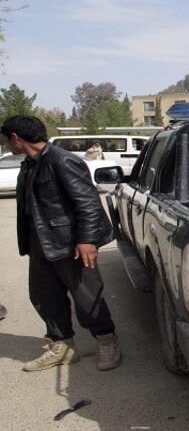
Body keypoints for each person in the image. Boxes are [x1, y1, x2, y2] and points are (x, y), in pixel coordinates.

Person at [1, 115, 121, 372]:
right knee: (44, 296)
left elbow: (88, 203)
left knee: (87, 296)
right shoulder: (30, 163)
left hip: (71, 243)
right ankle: (63, 346)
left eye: (7, 140)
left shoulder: (62, 160)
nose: (8, 145)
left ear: (16, 138)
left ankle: (106, 339)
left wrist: (87, 239)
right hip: (41, 243)